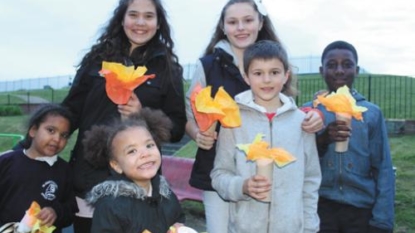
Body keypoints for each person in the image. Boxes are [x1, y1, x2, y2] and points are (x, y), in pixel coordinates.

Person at [184, 0, 323, 232]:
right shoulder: (208, 65)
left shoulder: (272, 57)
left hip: (280, 196)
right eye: (233, 22)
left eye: (248, 20)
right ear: (223, 26)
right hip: (221, 171)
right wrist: (199, 134)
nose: (241, 27)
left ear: (260, 22)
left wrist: (315, 114)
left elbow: (288, 115)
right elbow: (190, 117)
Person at [61, 0, 186, 231]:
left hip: (140, 182)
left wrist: (143, 115)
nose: (140, 23)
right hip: (89, 177)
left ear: (158, 24)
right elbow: (70, 110)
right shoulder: (96, 60)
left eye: (149, 16)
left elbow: (177, 128)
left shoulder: (168, 68)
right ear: (122, 19)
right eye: (134, 15)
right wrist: (37, 142)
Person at [210, 40, 321, 233]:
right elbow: (219, 175)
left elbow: (310, 180)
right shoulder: (233, 120)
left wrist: (310, 227)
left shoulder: (302, 122)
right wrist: (242, 187)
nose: (267, 80)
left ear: (286, 75)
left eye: (274, 72)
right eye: (258, 73)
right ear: (246, 77)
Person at [304, 40, 395, 232]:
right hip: (319, 207)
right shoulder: (310, 113)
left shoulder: (370, 113)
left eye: (347, 65)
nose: (339, 70)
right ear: (321, 71)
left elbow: (383, 168)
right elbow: (298, 163)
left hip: (360, 208)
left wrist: (382, 221)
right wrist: (322, 140)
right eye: (331, 65)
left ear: (357, 70)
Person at [84, 108, 185, 233]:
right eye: (132, 151)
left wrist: (178, 227)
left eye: (149, 145)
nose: (145, 154)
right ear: (116, 166)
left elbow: (178, 217)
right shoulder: (110, 206)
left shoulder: (167, 195)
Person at [0, 104, 78, 233]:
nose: (57, 139)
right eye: (51, 130)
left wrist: (56, 212)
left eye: (64, 135)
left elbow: (70, 210)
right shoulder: (6, 162)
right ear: (33, 131)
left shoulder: (64, 170)